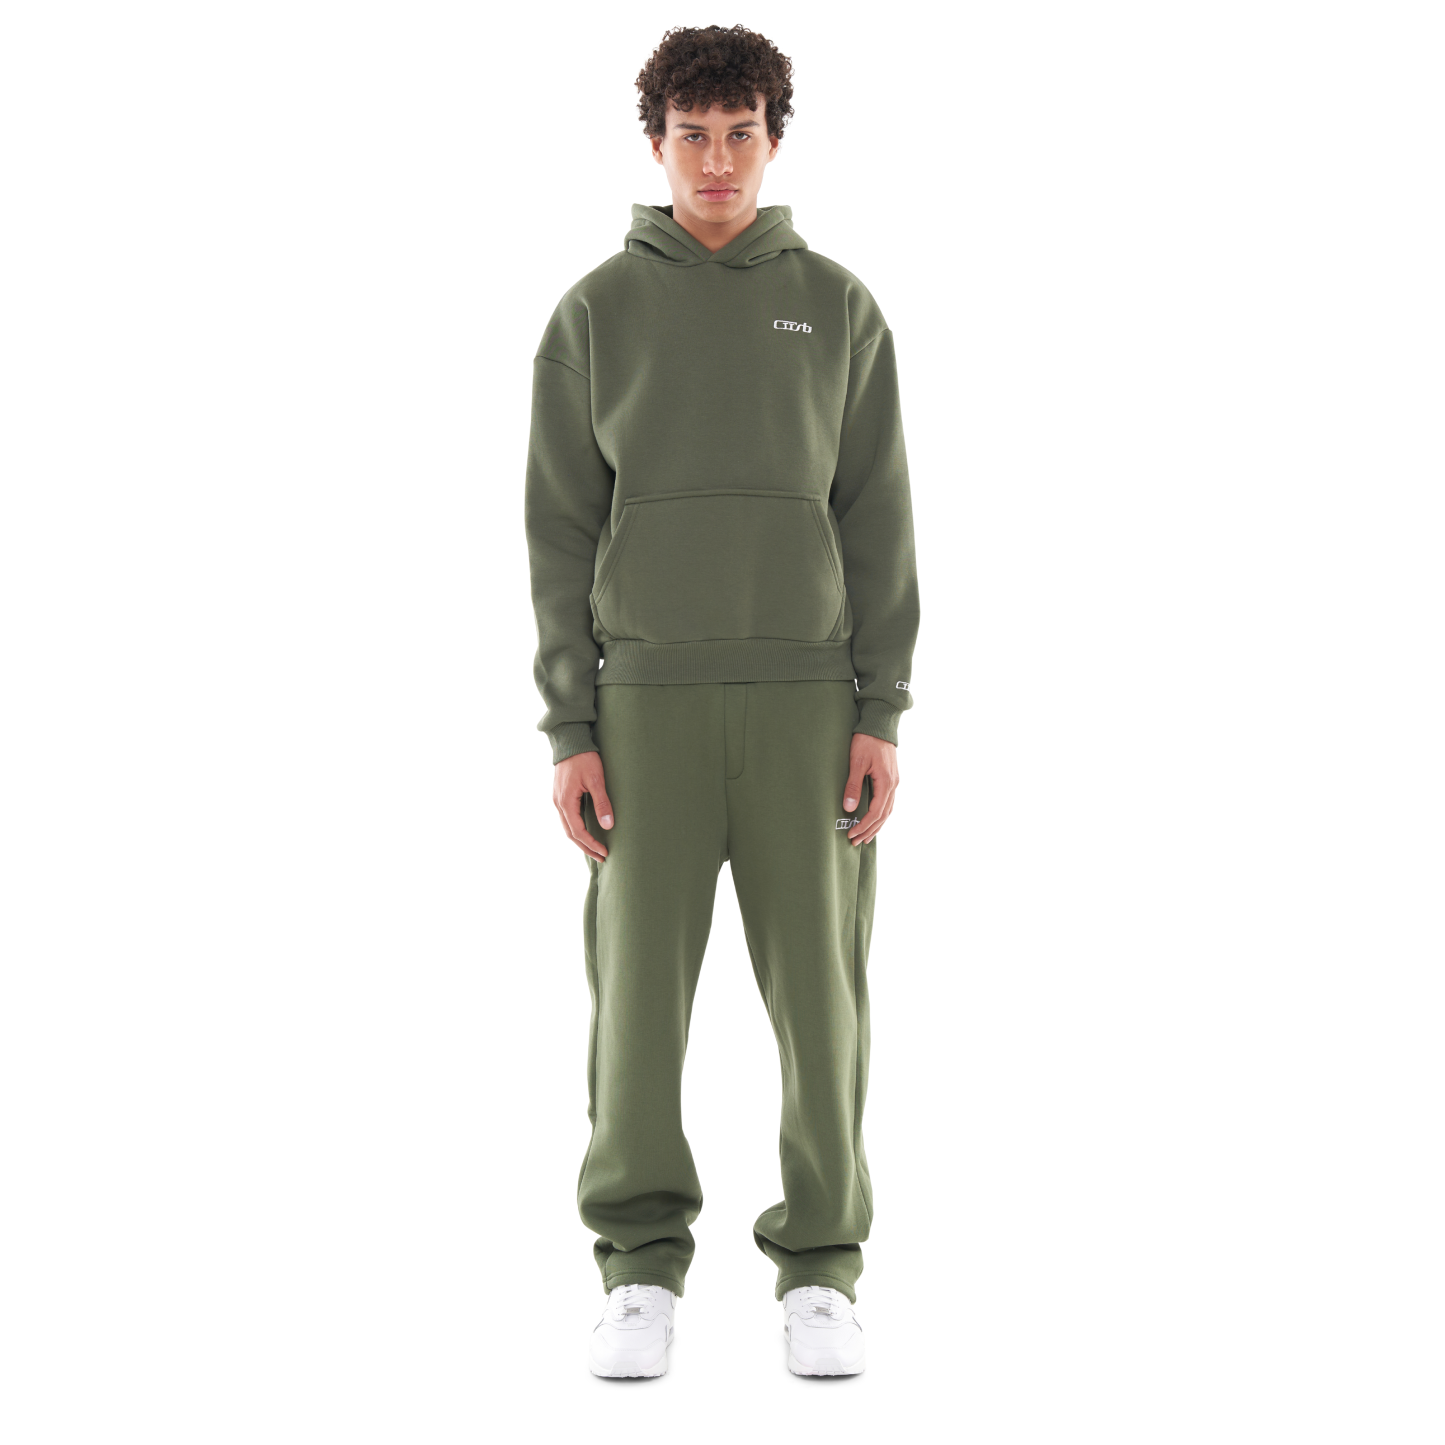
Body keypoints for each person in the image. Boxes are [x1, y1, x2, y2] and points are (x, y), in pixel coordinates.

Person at [524, 24, 920, 1378]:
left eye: (739, 132)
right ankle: (639, 1266)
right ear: (655, 144)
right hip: (645, 708)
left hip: (809, 706)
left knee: (825, 1003)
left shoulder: (840, 308)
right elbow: (559, 532)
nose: (715, 161)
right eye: (690, 135)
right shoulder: (593, 315)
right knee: (637, 1005)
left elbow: (877, 518)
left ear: (773, 139)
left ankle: (822, 1270)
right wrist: (572, 727)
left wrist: (881, 708)